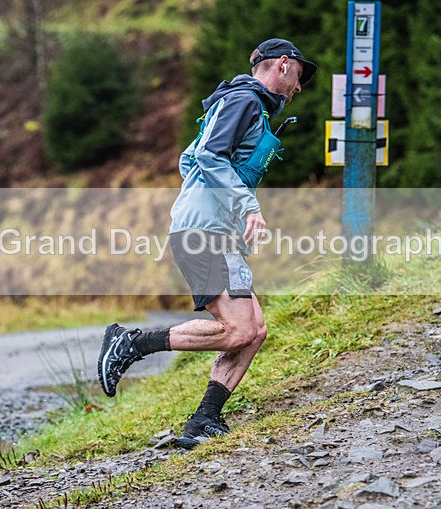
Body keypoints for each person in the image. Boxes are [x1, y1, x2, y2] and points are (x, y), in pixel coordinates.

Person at [97, 38, 317, 448]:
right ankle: (130, 344)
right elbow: (210, 155)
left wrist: (219, 205)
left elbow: (190, 157)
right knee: (235, 330)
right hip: (203, 234)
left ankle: (204, 419)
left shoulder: (246, 106)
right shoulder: (245, 102)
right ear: (283, 65)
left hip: (219, 232)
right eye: (299, 77)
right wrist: (245, 205)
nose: (298, 88)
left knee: (254, 331)